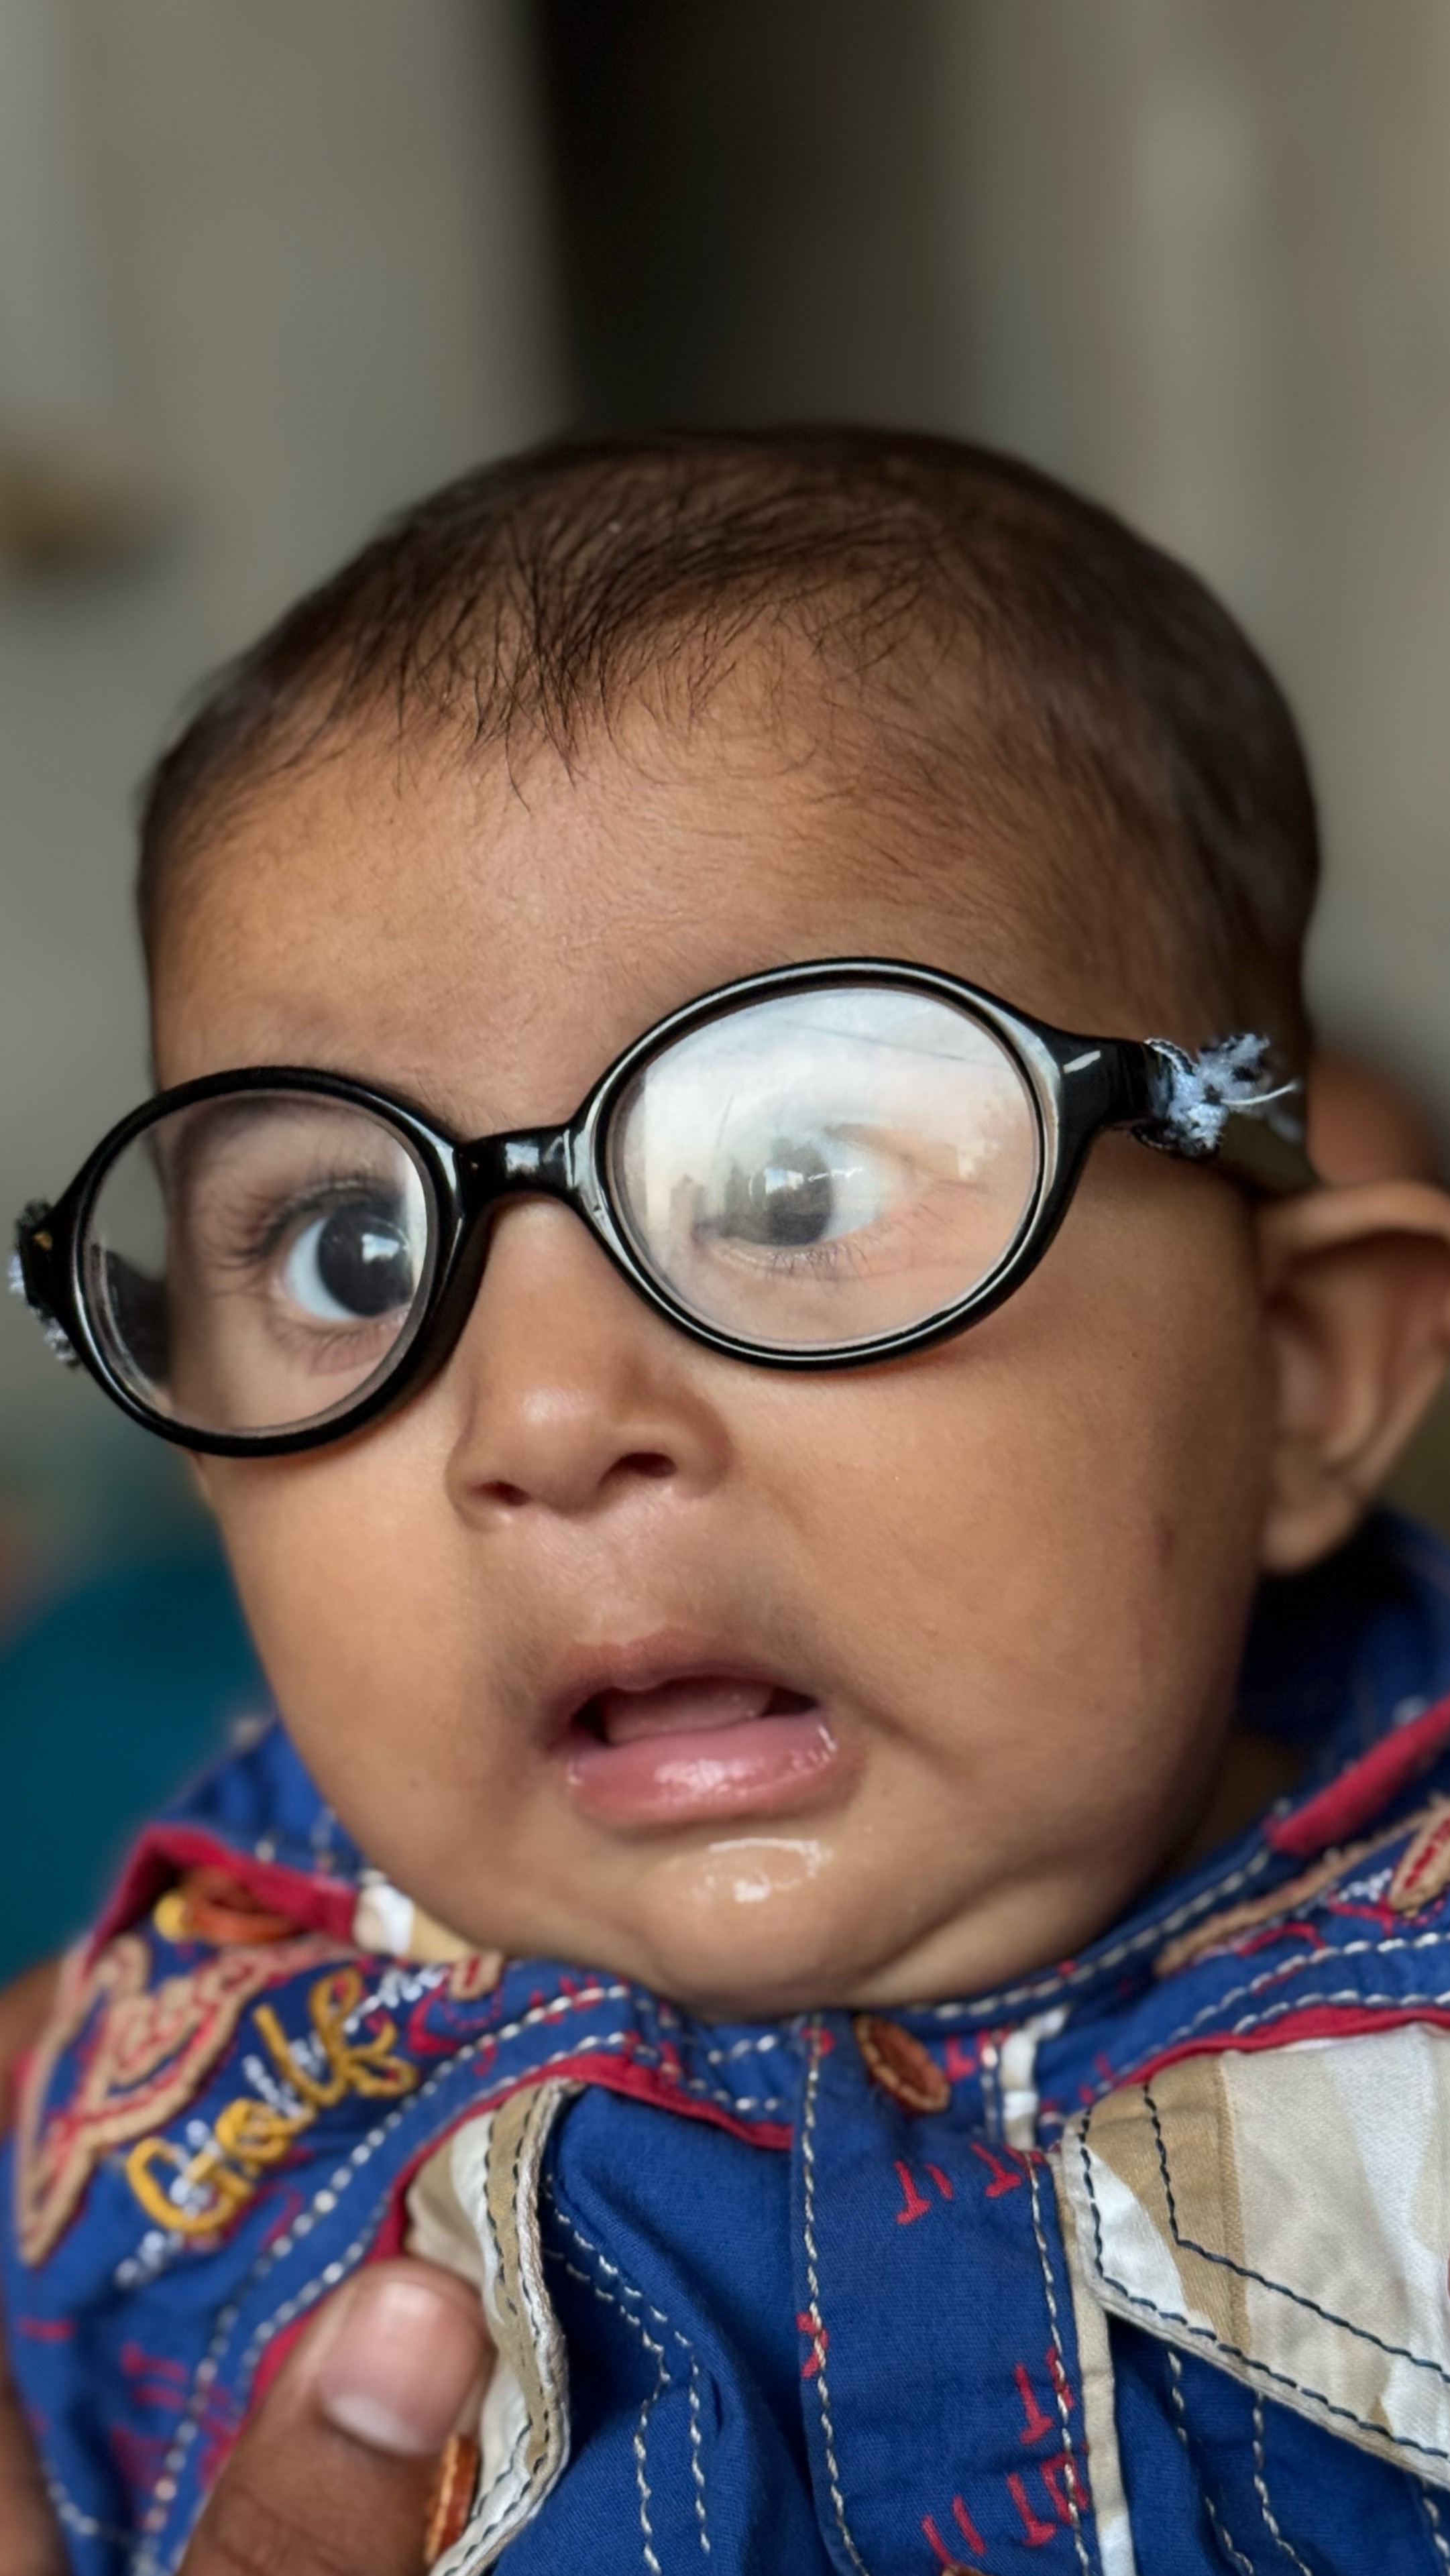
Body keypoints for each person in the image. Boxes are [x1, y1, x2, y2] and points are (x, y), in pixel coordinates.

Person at [7, 430, 1450, 2573]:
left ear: (1301, 1382)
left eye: (792, 1183)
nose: (544, 1409)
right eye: (350, 1251)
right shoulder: (159, 2071)